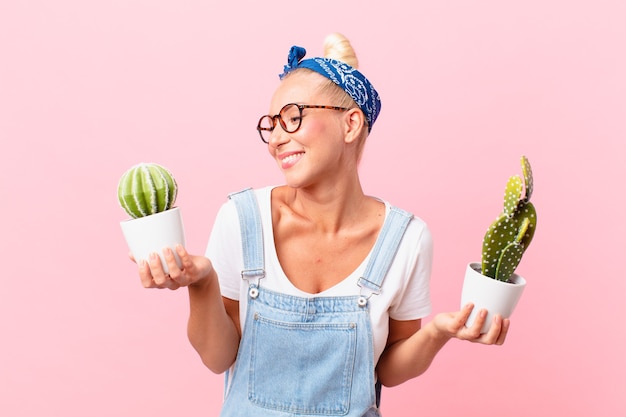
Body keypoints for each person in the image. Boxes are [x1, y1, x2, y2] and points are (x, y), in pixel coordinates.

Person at [134, 33, 510, 417]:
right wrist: (203, 282)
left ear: (349, 125)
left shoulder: (406, 240)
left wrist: (438, 332)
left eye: (293, 117)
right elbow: (218, 358)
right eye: (271, 125)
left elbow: (388, 371)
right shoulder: (243, 219)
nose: (277, 139)